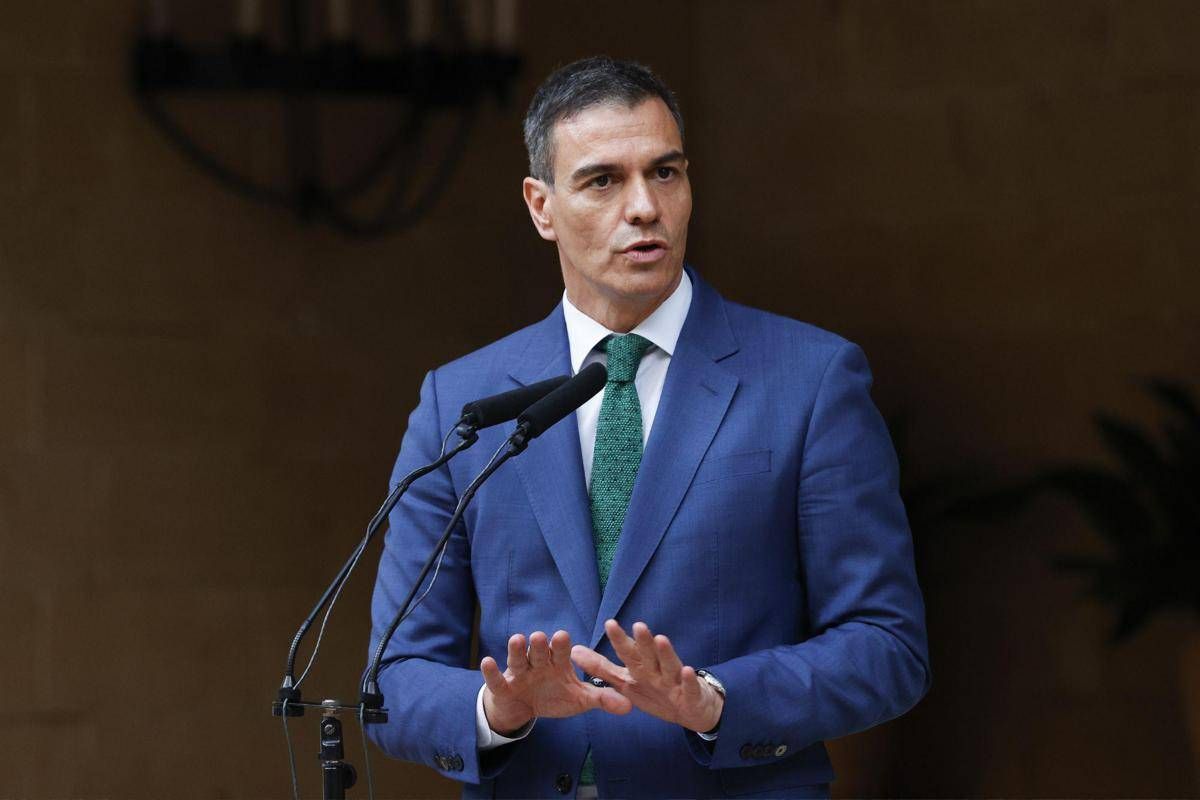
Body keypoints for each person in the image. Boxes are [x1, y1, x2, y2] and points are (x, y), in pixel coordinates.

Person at [367, 56, 930, 799]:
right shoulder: (462, 402)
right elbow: (393, 675)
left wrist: (717, 701)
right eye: (603, 181)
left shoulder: (812, 380)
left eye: (665, 173)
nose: (644, 207)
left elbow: (888, 646)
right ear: (541, 207)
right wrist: (495, 711)